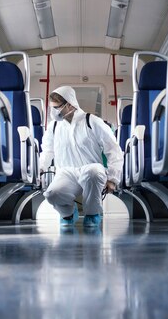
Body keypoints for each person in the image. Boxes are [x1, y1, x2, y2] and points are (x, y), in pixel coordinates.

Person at [39, 86, 124, 228]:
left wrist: (113, 179)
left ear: (70, 104)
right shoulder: (53, 127)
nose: (54, 112)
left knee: (93, 172)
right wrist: (41, 167)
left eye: (57, 107)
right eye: (52, 107)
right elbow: (47, 151)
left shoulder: (92, 121)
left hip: (90, 168)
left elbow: (113, 149)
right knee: (52, 194)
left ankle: (92, 214)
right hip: (66, 172)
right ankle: (68, 214)